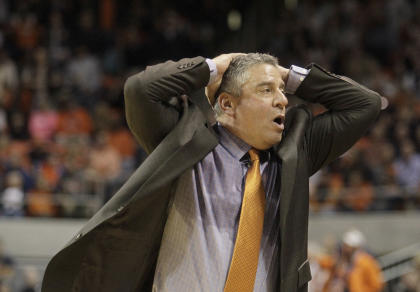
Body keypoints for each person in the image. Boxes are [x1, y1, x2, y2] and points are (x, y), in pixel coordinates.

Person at [41, 53, 383, 292]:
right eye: (266, 90)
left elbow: (365, 104)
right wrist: (213, 67)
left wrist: (288, 77)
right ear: (227, 106)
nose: (282, 100)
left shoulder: (296, 151)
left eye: (282, 92)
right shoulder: (181, 140)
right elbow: (139, 90)